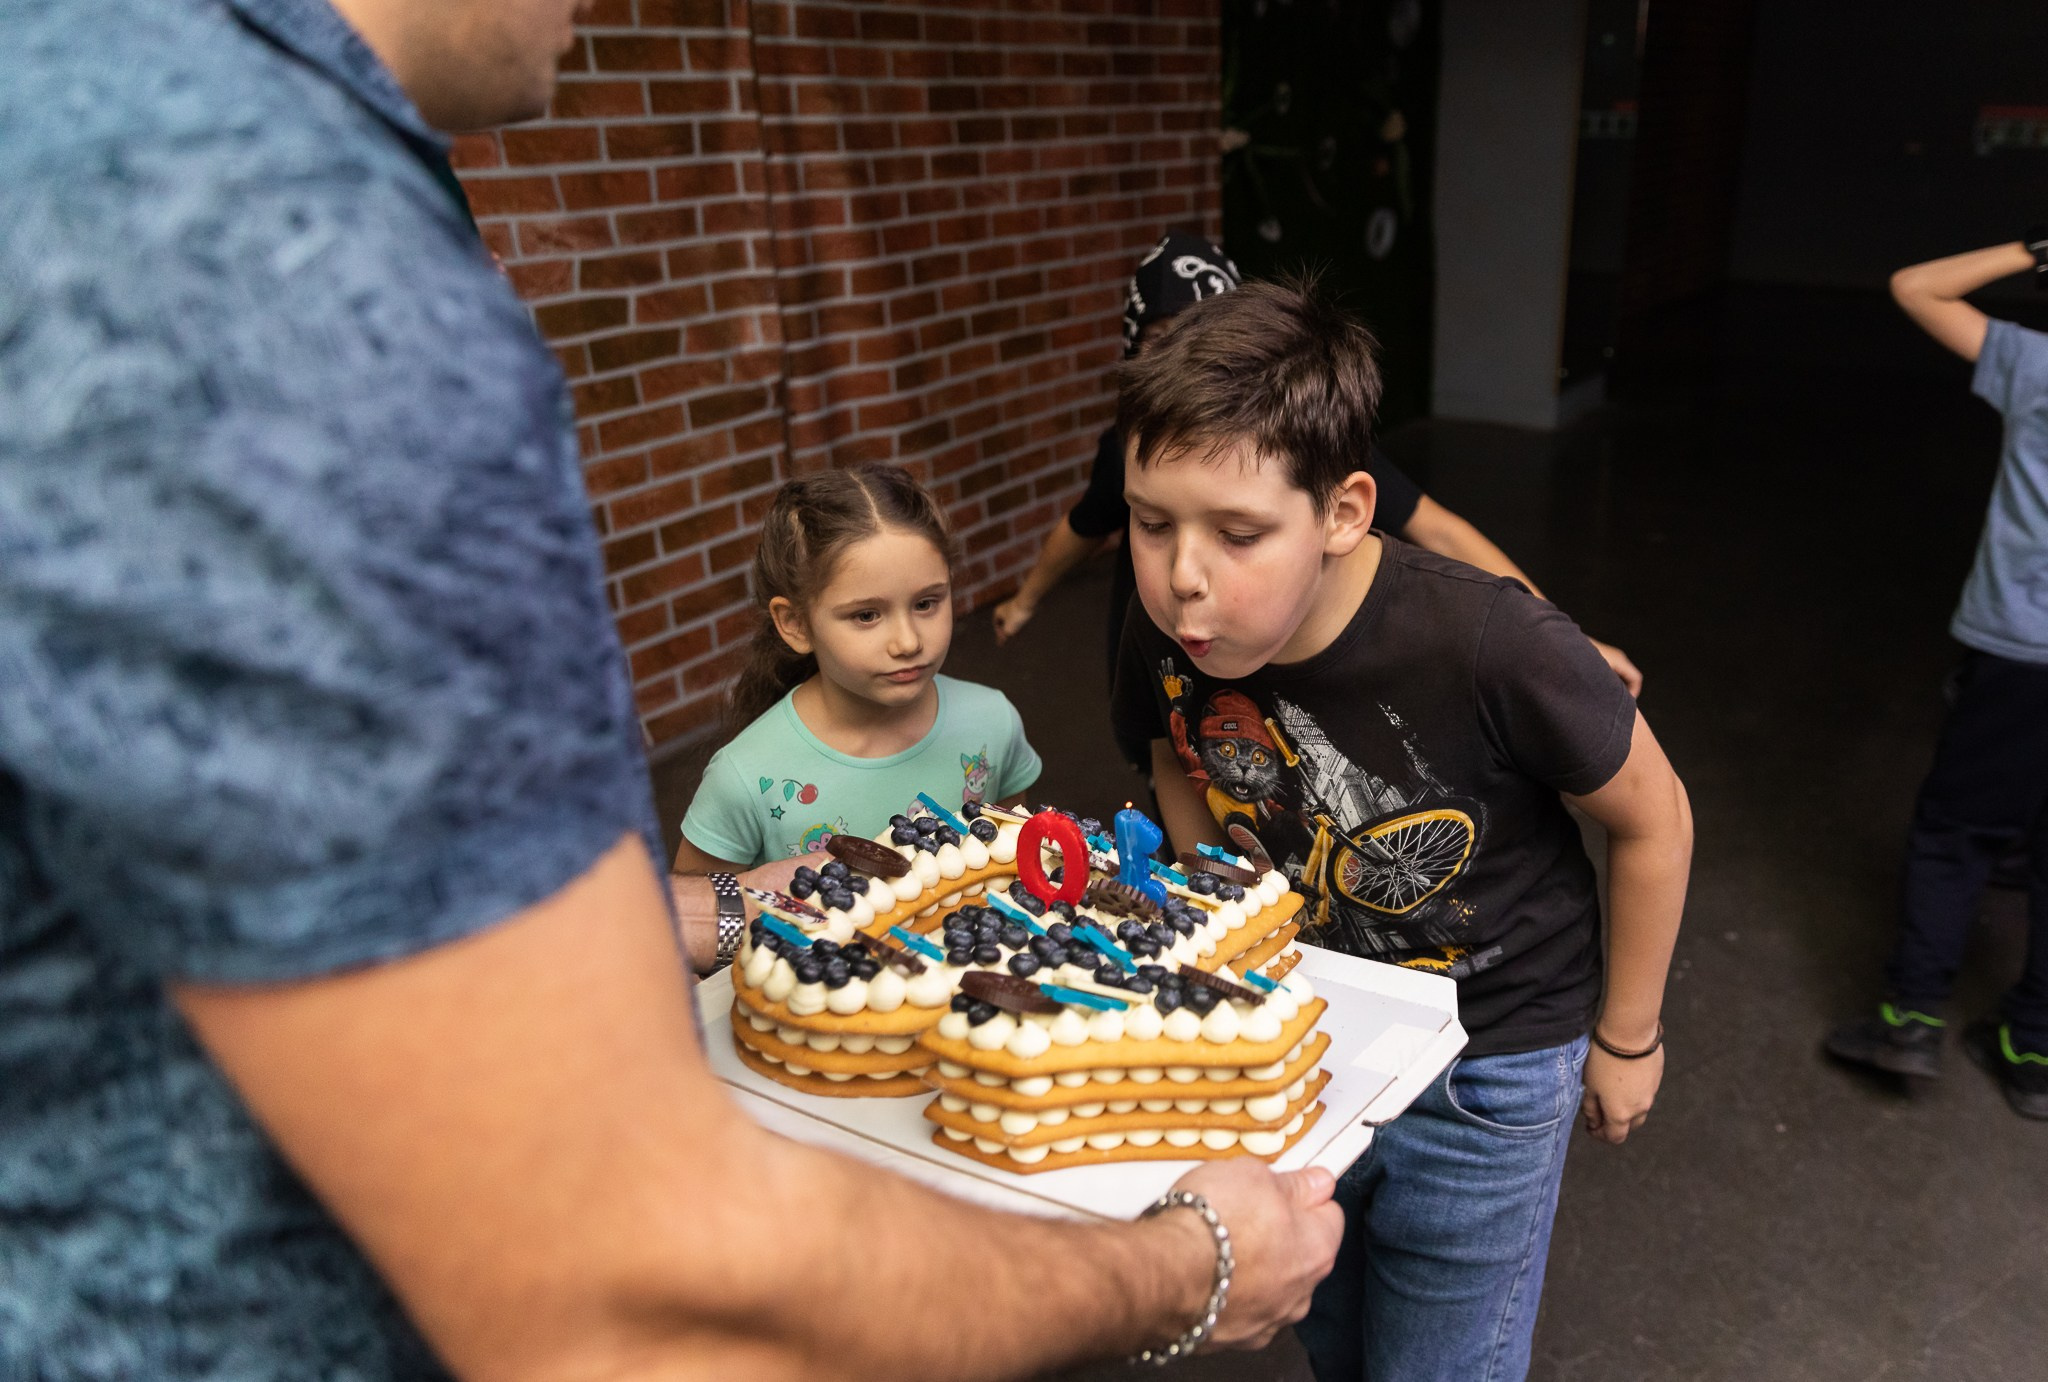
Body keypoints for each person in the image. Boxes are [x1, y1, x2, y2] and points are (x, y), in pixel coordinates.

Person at [0, 2, 1346, 1376]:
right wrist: (1192, 1259)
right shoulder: (276, 257)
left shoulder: (69, 92)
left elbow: (280, 878)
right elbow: (629, 1278)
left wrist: (745, 902)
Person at [1106, 279, 1693, 1382]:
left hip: (1490, 1062)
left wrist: (1628, 1034)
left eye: (1237, 533)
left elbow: (1654, 817)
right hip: (1307, 1034)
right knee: (1335, 1338)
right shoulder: (1165, 628)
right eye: (1149, 523)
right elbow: (1164, 750)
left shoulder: (1489, 641)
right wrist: (1212, 901)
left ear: (1342, 510)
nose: (1181, 576)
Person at [992, 233, 1644, 721]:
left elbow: (1438, 528)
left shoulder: (1294, 444)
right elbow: (1079, 528)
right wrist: (1026, 599)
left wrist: (1564, 638)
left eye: (1240, 530)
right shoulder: (1128, 453)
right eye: (1153, 520)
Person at [1824, 238, 2048, 1120]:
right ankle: (2033, 1048)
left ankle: (1909, 1021)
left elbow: (1914, 285)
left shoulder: (2035, 362)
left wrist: (2034, 248)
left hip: (2022, 653)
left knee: (1958, 831)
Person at [666, 465, 1041, 967]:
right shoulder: (744, 776)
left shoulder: (992, 722)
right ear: (796, 624)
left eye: (927, 603)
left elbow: (1017, 864)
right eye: (867, 615)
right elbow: (685, 938)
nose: (908, 641)